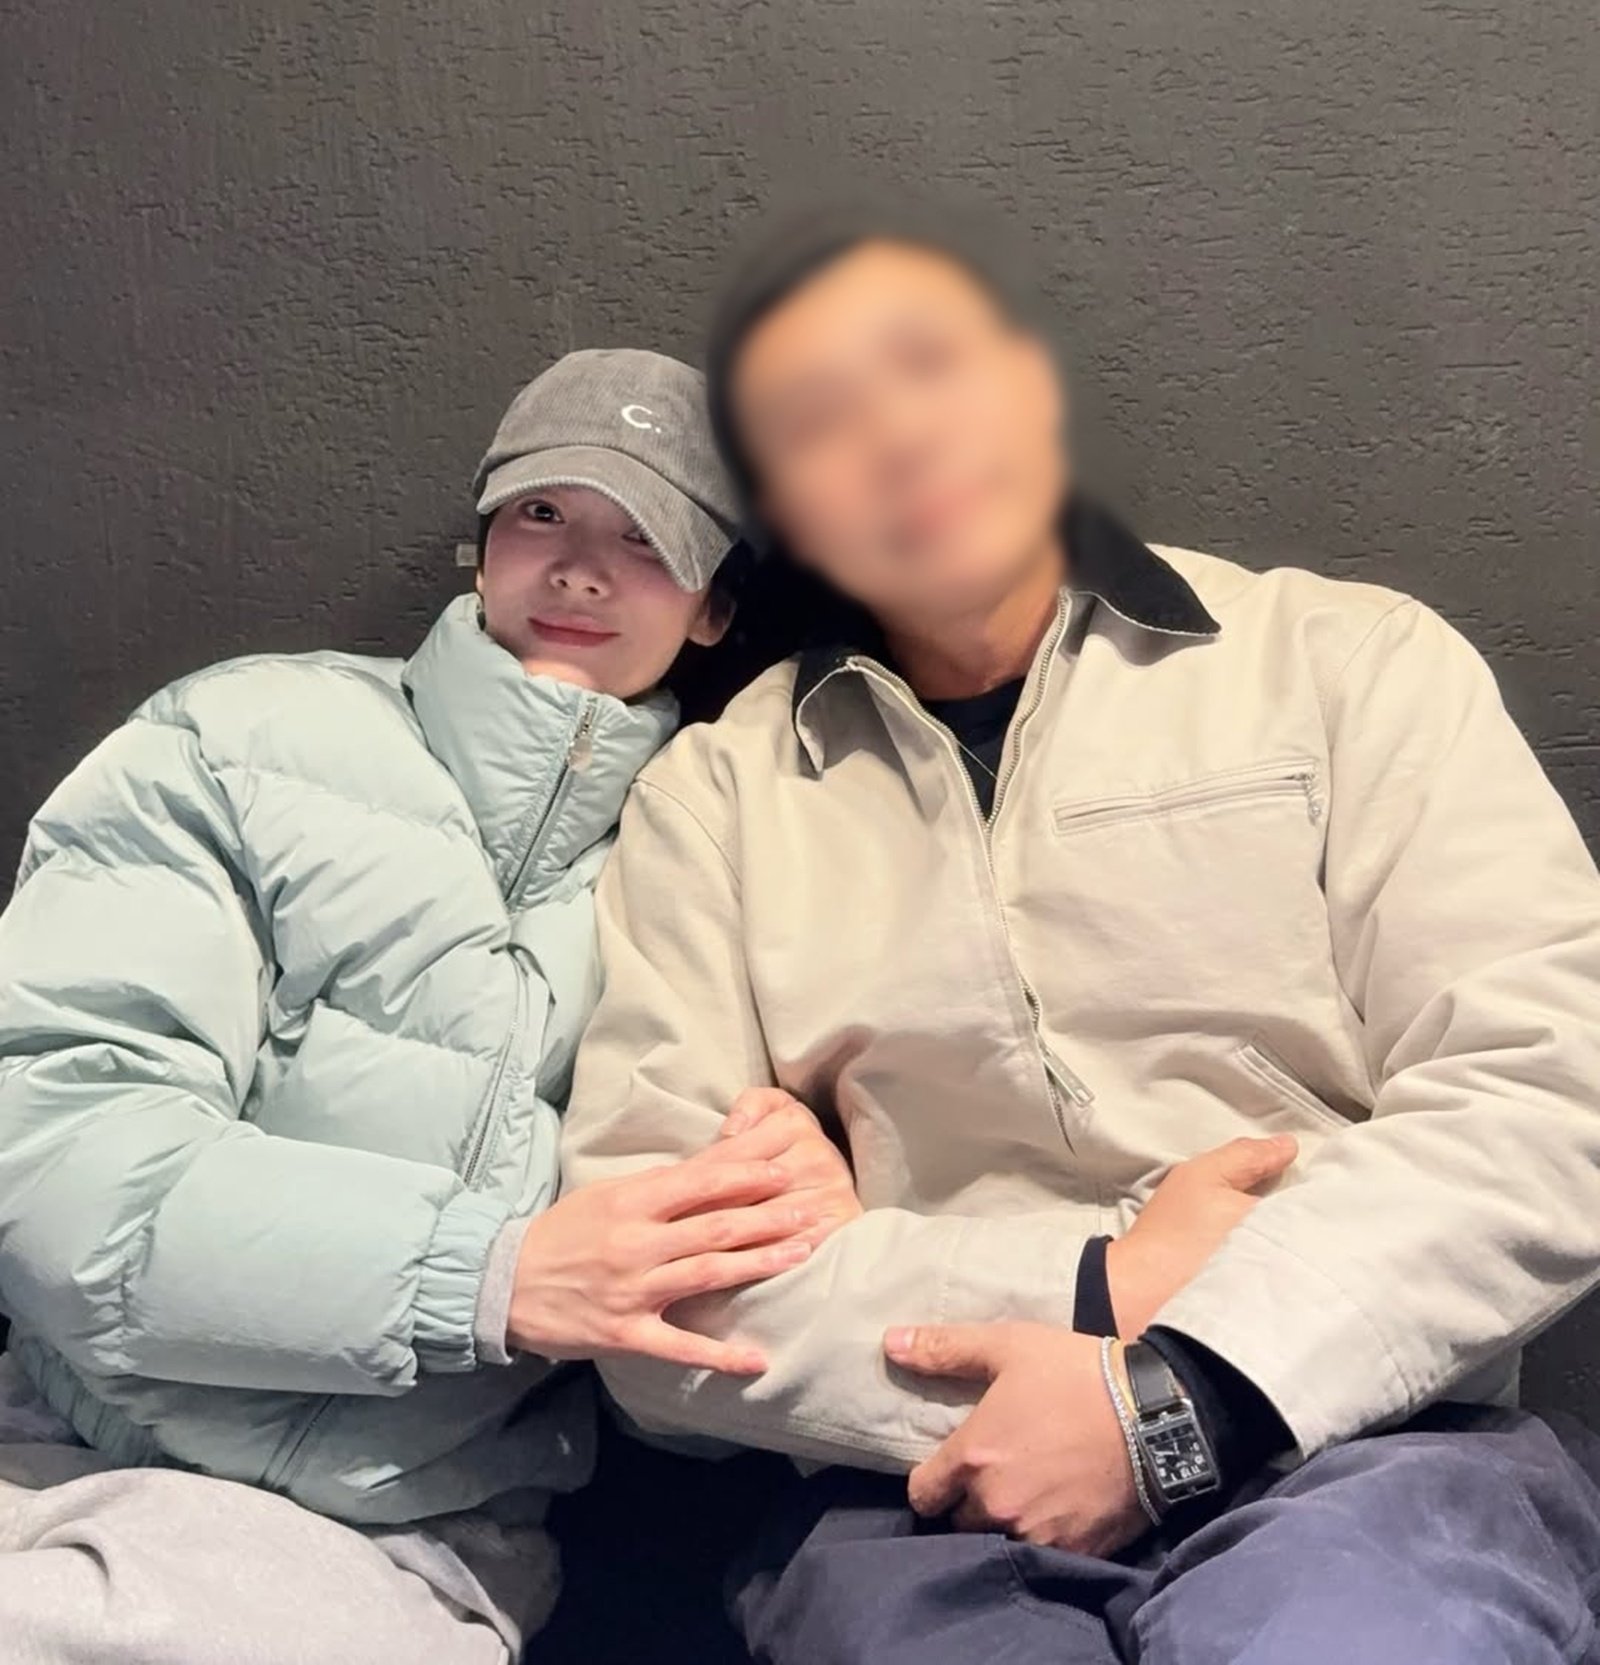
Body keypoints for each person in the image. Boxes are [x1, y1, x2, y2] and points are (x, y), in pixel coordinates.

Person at [560, 202, 1600, 1663]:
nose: (896, 438)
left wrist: (1188, 1391)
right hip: (916, 1498)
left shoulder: (1348, 664)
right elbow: (651, 1306)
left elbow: (1548, 1096)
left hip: (1370, 1447)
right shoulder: (716, 800)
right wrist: (1099, 1285)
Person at [0, 346, 859, 1664]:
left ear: (712, 609)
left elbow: (699, 1364)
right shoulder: (234, 743)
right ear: (484, 543)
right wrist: (490, 1274)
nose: (581, 569)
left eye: (646, 540)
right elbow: (58, 1159)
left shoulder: (723, 860)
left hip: (409, 1538)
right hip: (61, 1456)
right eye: (544, 513)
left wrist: (789, 1200)